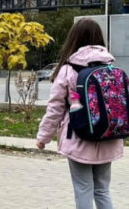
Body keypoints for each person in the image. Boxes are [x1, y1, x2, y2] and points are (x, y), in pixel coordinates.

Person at [36, 19, 123, 209]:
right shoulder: (110, 67)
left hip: (79, 137)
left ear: (74, 39)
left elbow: (56, 107)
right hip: (108, 136)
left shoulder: (69, 69)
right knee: (102, 190)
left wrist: (43, 137)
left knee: (83, 189)